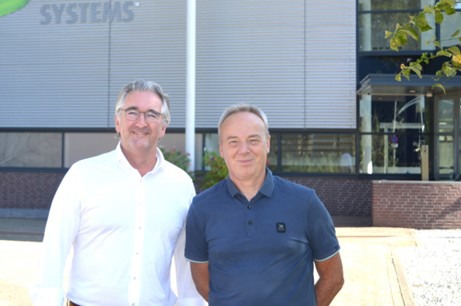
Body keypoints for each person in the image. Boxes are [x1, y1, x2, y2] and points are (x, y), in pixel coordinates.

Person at [33, 80, 206, 306]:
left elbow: (186, 259)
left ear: (163, 127)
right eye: (132, 112)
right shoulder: (82, 175)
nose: (141, 122)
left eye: (152, 114)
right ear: (117, 122)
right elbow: (54, 249)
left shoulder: (181, 184)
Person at [185, 104, 344, 306]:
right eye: (233, 142)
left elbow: (334, 277)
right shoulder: (201, 208)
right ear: (222, 148)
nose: (244, 150)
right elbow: (203, 282)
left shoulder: (305, 203)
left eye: (253, 140)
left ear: (267, 143)